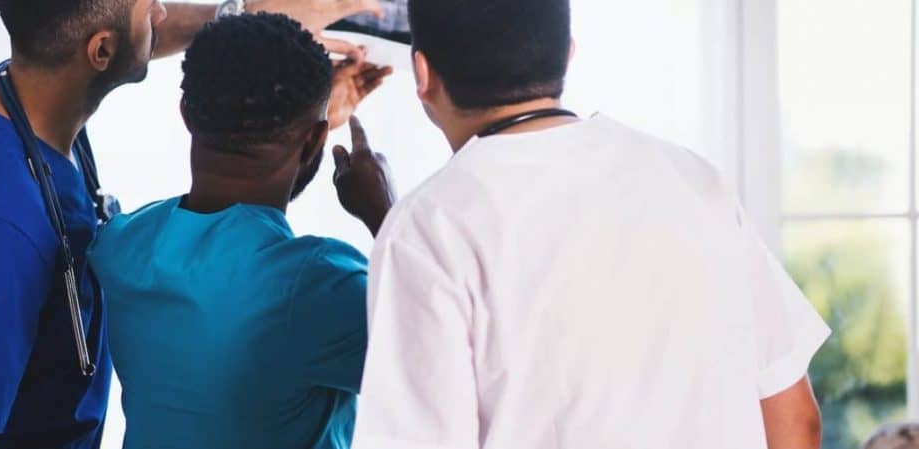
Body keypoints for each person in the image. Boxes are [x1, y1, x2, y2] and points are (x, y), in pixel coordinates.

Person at [0, 1, 385, 448]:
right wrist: (384, 213)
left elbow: (113, 34)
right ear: (100, 51)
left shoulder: (12, 103)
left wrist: (246, 27)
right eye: (148, 4)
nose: (162, 11)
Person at [350, 1, 830, 448]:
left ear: (422, 73)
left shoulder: (426, 226)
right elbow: (795, 420)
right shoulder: (696, 181)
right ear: (568, 55)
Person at [87, 13, 394, 449]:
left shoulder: (121, 245)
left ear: (186, 113)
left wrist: (306, 131)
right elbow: (454, 360)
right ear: (314, 141)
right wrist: (387, 215)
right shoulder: (315, 286)